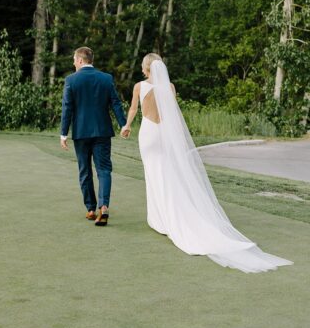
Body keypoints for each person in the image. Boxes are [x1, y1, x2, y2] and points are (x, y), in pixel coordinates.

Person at [121, 53, 293, 273]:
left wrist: (127, 126)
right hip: (163, 134)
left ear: (145, 67)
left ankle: (160, 219)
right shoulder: (170, 88)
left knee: (153, 174)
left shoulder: (139, 86)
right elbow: (172, 116)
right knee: (166, 174)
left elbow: (134, 109)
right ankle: (164, 217)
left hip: (148, 134)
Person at [60, 47, 126, 226]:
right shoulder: (106, 78)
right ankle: (103, 207)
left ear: (81, 60)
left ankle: (90, 208)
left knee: (85, 171)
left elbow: (67, 108)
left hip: (81, 133)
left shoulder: (71, 80)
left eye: (74, 59)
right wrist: (123, 124)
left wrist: (63, 133)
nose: (73, 62)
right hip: (102, 131)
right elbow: (115, 103)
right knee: (104, 169)